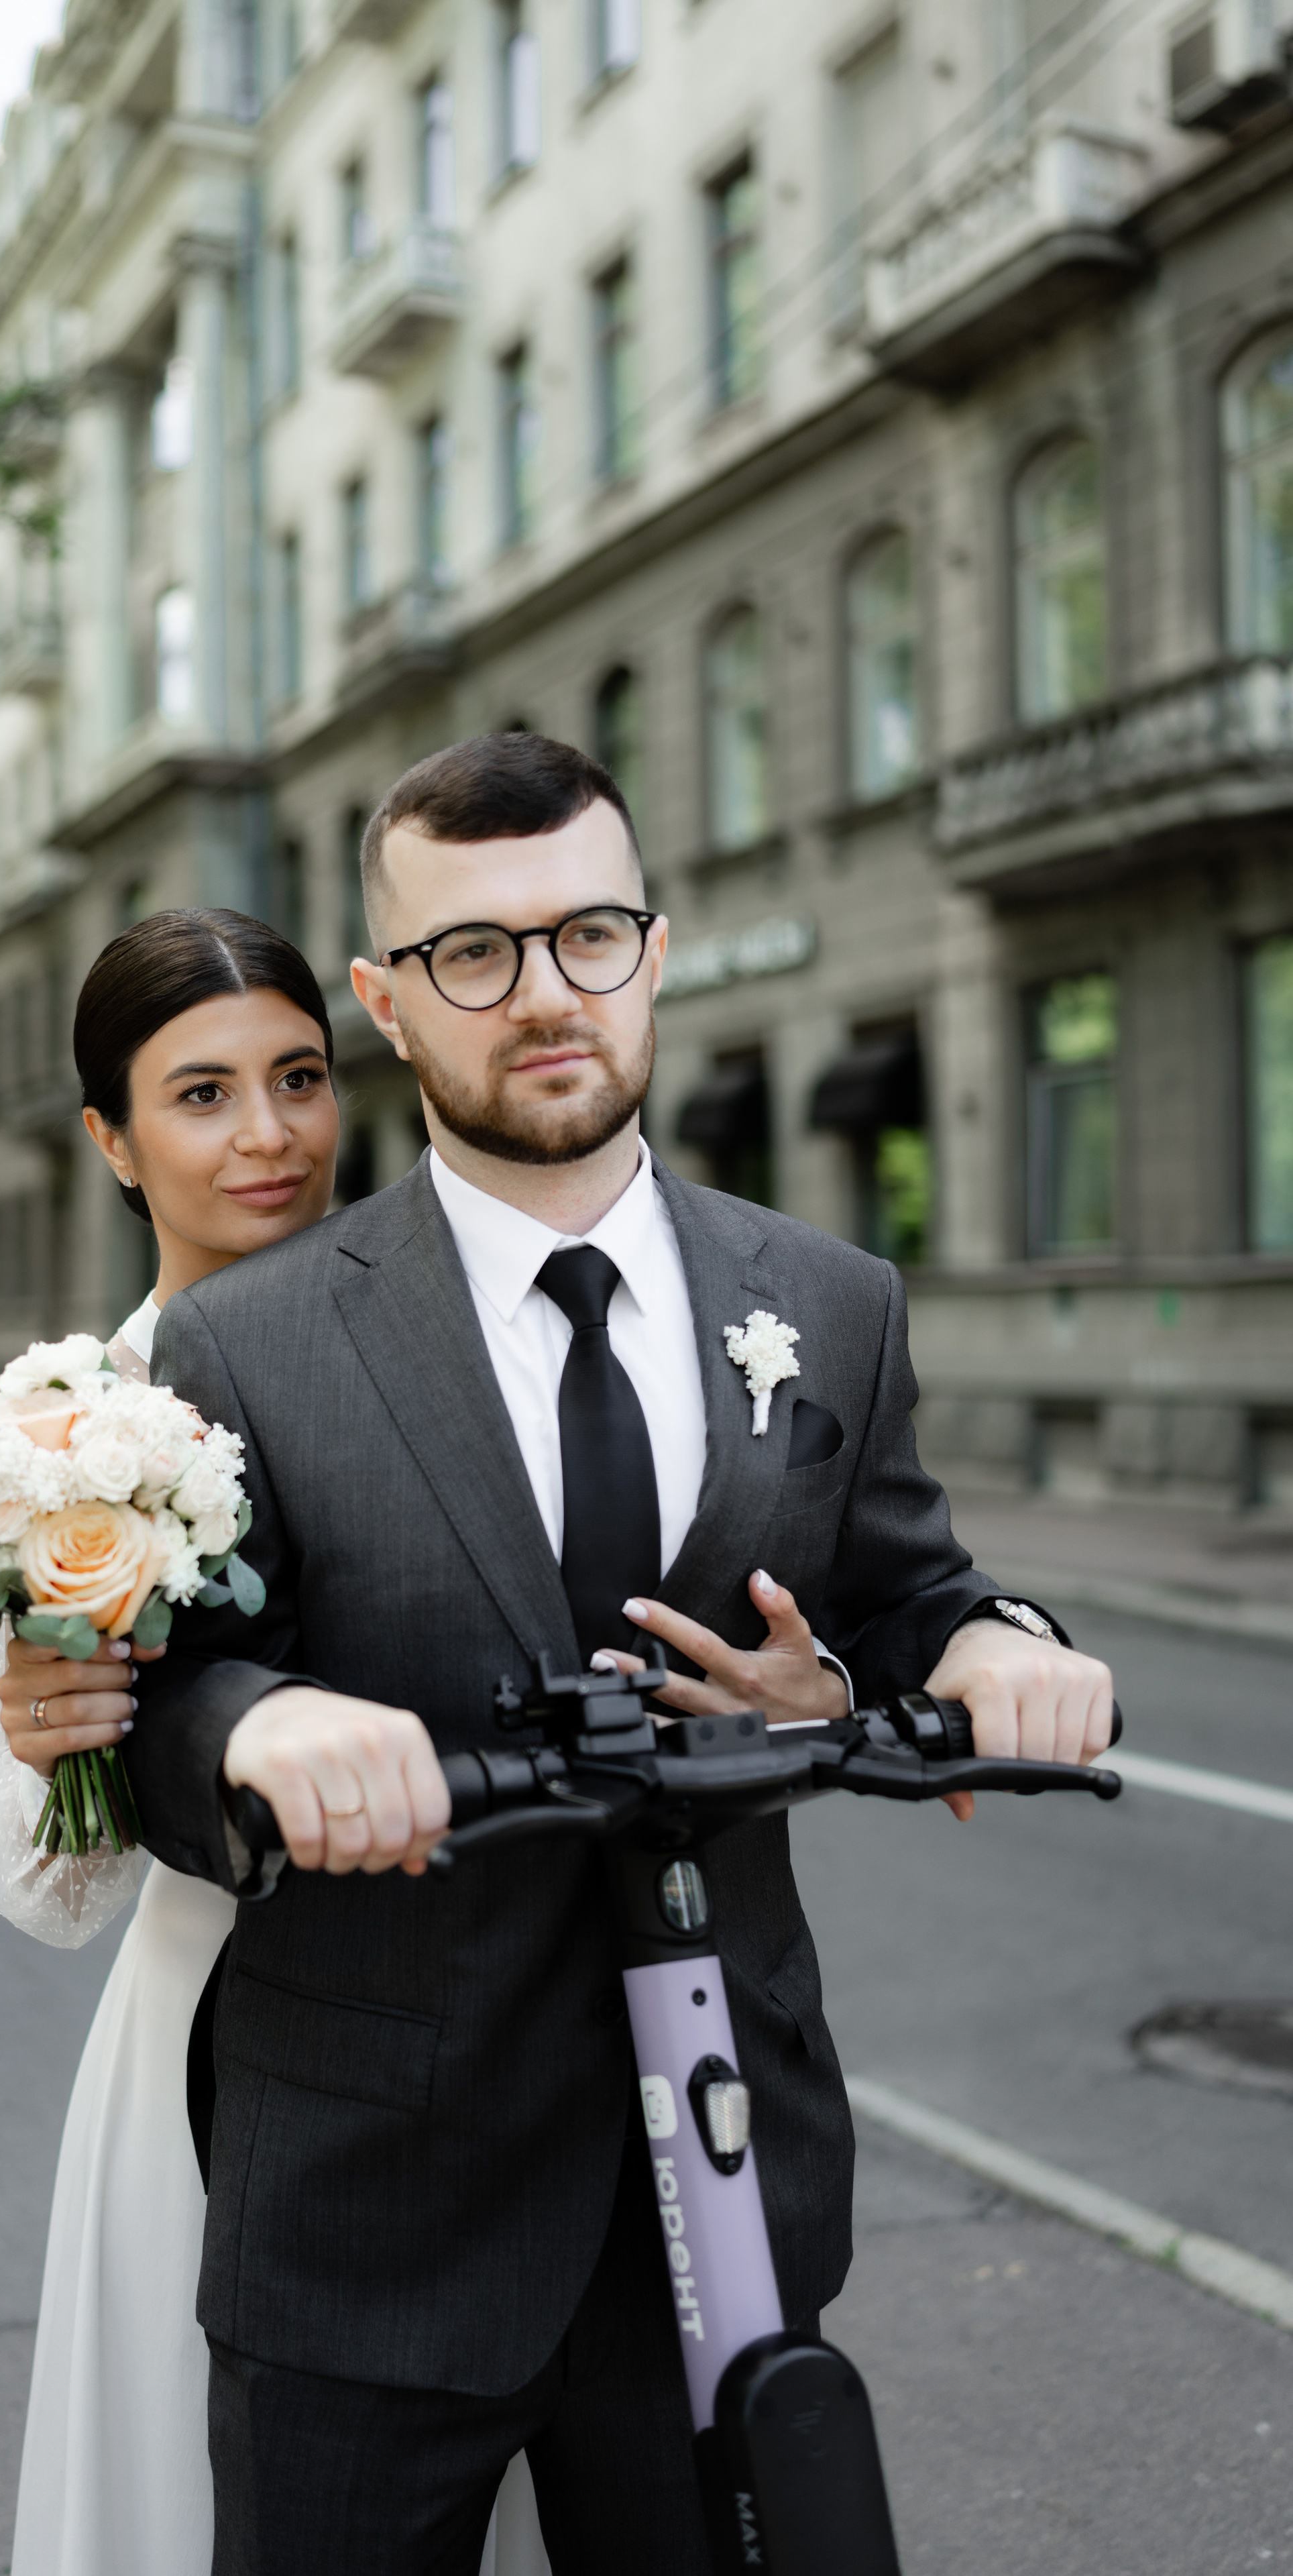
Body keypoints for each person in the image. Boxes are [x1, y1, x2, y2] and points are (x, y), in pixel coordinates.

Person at [111, 734, 1115, 2576]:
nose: (546, 995)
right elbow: (163, 1708)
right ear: (390, 1005)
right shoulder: (247, 1348)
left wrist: (1003, 1644)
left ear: (654, 949)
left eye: (589, 936)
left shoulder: (830, 1301)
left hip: (722, 2191)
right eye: (475, 956)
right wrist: (261, 1730)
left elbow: (910, 1586)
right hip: (369, 2212)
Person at [0, 907, 551, 2576]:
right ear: (111, 1144)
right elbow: (43, 1870)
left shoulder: (470, 1331)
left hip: (526, 2020)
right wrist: (55, 1735)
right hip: (235, 2044)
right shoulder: (81, 1425)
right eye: (199, 1096)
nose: (268, 1136)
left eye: (296, 1078)